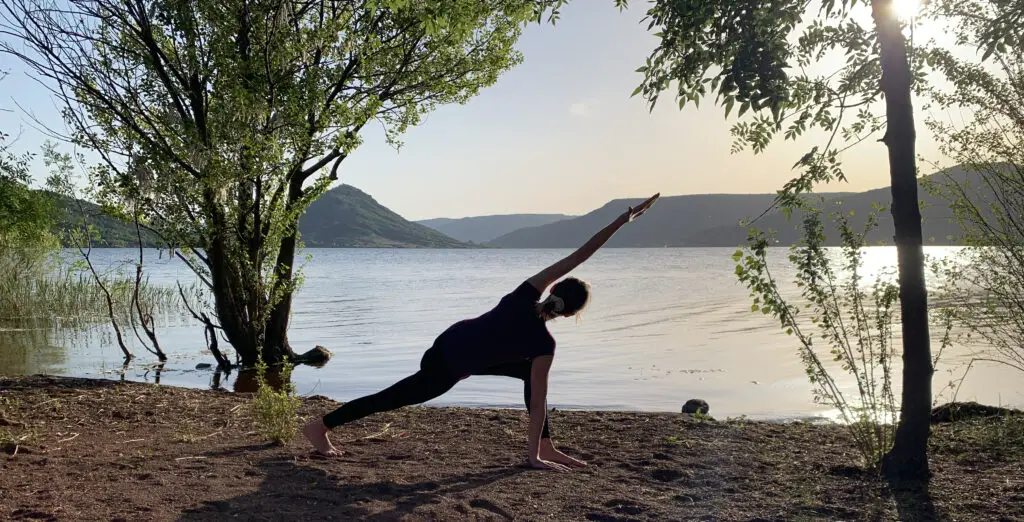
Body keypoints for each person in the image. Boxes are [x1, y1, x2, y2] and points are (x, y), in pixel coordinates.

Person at [303, 193, 661, 471]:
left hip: (452, 341)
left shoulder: (527, 293)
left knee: (524, 373)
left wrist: (622, 219)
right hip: (450, 362)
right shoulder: (544, 345)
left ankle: (548, 445)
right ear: (570, 316)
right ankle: (321, 426)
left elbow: (580, 255)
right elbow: (537, 404)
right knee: (398, 396)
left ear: (554, 291)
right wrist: (531, 456)